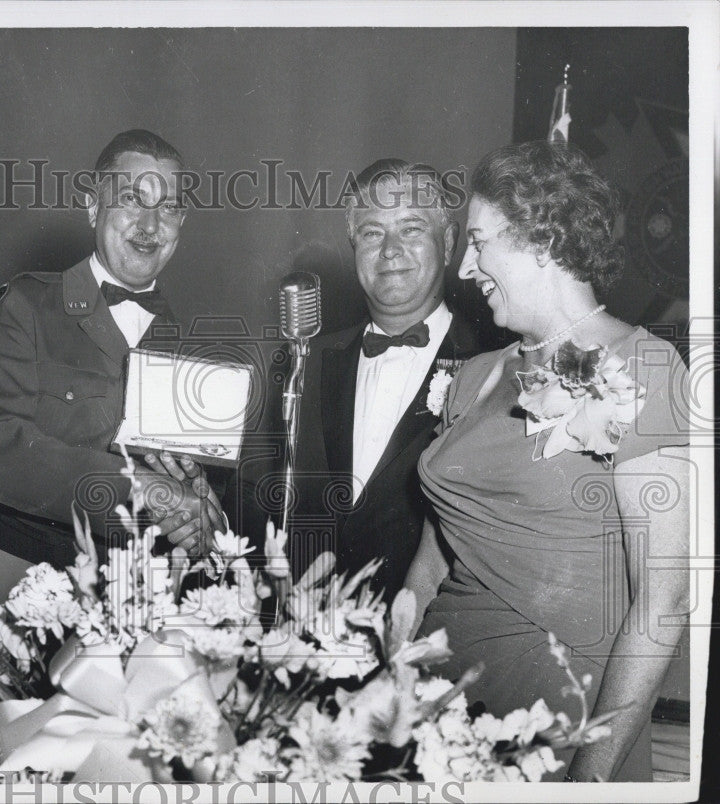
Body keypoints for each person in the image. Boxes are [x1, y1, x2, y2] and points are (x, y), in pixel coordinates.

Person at [405, 141, 690, 781]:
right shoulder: (474, 375)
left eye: (478, 243)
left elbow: (665, 596)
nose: (465, 268)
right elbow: (436, 553)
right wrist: (396, 652)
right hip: (435, 704)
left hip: (555, 716)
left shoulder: (644, 367)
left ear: (540, 237)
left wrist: (589, 777)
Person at [0, 129, 225, 612]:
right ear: (93, 207)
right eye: (131, 200)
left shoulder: (186, 346)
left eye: (168, 207)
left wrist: (200, 508)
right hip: (10, 580)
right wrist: (142, 490)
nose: (149, 223)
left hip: (127, 597)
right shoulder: (27, 303)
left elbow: (182, 476)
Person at [254, 158, 479, 601]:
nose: (390, 248)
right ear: (353, 247)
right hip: (300, 642)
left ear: (449, 243)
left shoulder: (490, 369)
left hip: (424, 646)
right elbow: (255, 500)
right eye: (373, 232)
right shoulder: (300, 362)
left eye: (411, 228)